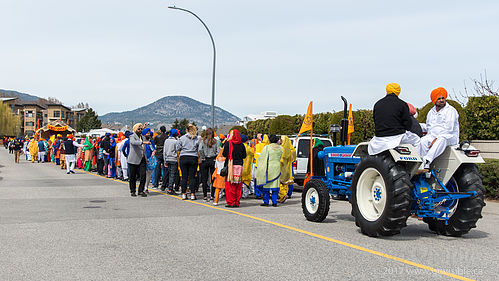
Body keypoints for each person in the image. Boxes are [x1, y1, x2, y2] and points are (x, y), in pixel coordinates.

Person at [368, 83, 421, 155]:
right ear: (398, 92)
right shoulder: (402, 104)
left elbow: (375, 120)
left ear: (387, 91)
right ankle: (419, 164)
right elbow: (407, 124)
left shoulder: (377, 104)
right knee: (417, 140)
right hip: (397, 136)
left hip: (379, 137)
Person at [420, 87, 459, 169]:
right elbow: (428, 127)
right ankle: (423, 164)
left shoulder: (450, 110)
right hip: (433, 136)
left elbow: (449, 129)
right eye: (439, 99)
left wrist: (436, 139)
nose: (441, 100)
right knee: (423, 140)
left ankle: (427, 160)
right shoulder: (431, 112)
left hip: (449, 137)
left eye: (443, 98)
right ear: (434, 100)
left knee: (442, 138)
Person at [256, 134, 283, 207]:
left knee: (266, 185)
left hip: (268, 168)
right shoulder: (280, 148)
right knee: (275, 185)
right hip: (277, 167)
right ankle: (274, 202)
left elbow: (262, 158)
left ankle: (266, 201)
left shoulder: (267, 148)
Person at [222, 130, 246, 208]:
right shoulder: (242, 145)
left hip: (230, 165)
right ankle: (237, 201)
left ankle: (231, 202)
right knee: (238, 185)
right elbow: (244, 156)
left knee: (230, 184)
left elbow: (224, 154)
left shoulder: (228, 143)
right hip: (239, 166)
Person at [176, 124, 200, 200]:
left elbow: (178, 147)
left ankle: (184, 193)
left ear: (186, 130)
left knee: (184, 177)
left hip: (184, 157)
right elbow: (199, 149)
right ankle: (192, 194)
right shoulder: (197, 139)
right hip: (193, 157)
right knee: (192, 177)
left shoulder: (182, 138)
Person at [198, 128, 220, 201]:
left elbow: (200, 150)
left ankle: (205, 195)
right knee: (213, 178)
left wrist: (203, 156)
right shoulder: (216, 142)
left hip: (205, 160)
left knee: (204, 178)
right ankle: (212, 195)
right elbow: (218, 151)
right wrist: (215, 156)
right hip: (212, 160)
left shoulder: (203, 141)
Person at [128, 123, 148, 197]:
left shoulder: (143, 137)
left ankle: (141, 190)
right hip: (133, 159)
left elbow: (144, 149)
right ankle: (133, 190)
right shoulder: (132, 136)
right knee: (132, 176)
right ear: (135, 129)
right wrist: (142, 142)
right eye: (138, 129)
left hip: (142, 159)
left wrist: (146, 158)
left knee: (143, 175)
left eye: (141, 129)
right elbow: (133, 142)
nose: (140, 130)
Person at [278, 135, 296, 203]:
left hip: (281, 168)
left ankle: (283, 195)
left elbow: (280, 160)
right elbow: (293, 159)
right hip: (288, 168)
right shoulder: (292, 150)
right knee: (286, 183)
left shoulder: (281, 149)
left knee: (279, 182)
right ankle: (285, 195)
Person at [162, 129, 179, 194]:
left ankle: (167, 186)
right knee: (172, 174)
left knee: (168, 173)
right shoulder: (175, 141)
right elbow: (177, 150)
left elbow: (164, 151)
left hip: (167, 158)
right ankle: (170, 188)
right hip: (173, 159)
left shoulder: (166, 140)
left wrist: (165, 160)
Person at [253, 134, 269, 199]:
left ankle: (258, 194)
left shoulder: (258, 146)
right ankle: (264, 194)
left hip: (258, 166)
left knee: (257, 180)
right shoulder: (268, 146)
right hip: (265, 166)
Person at [142, 127, 156, 192]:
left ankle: (146, 187)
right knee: (143, 174)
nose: (149, 134)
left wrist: (153, 152)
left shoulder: (151, 141)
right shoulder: (142, 142)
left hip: (149, 160)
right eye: (147, 133)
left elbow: (154, 149)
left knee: (148, 175)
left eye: (149, 133)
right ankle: (142, 187)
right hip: (143, 160)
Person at [241, 135, 255, 199]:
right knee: (246, 181)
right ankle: (245, 194)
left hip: (240, 166)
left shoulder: (240, 147)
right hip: (247, 167)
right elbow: (253, 154)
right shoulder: (249, 148)